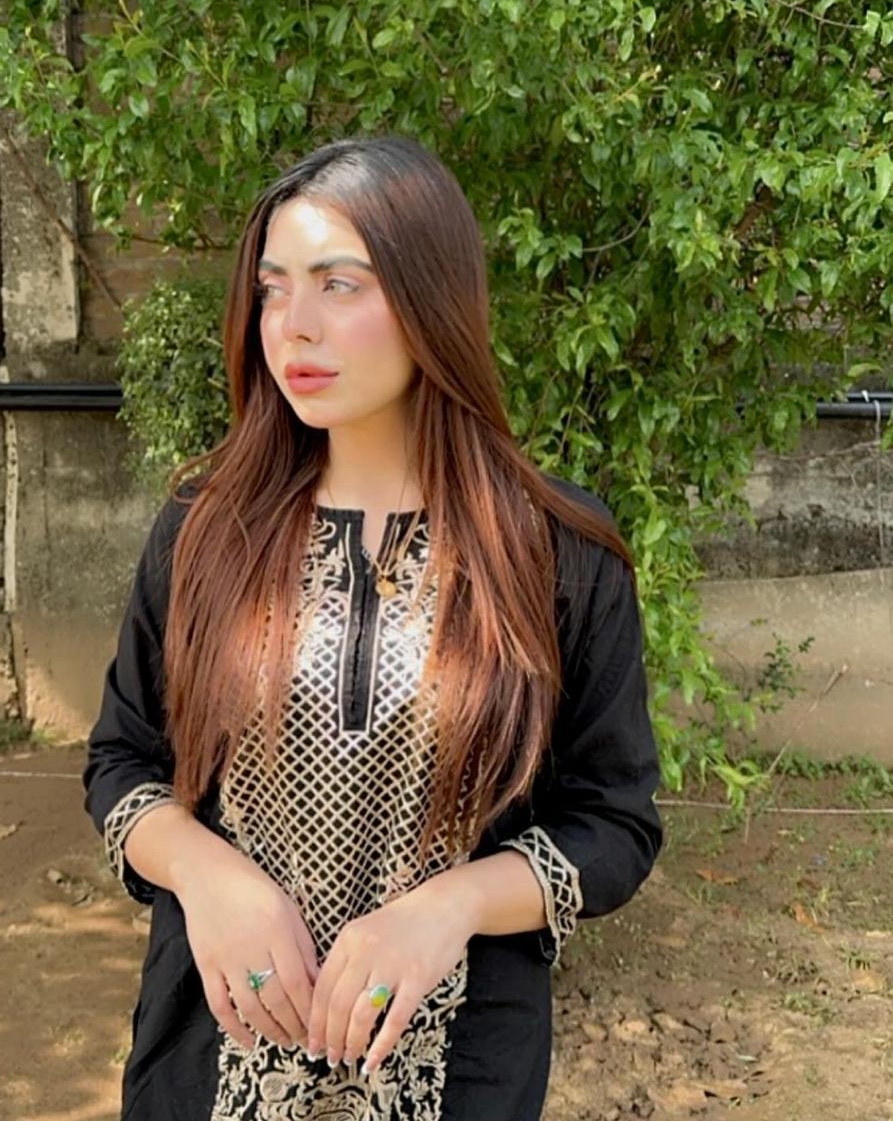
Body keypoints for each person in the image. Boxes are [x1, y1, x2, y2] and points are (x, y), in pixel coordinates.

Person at [82, 134, 663, 1121]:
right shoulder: (203, 532)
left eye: (338, 285)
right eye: (271, 289)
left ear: (433, 299)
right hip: (209, 1058)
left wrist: (453, 906)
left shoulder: (554, 554)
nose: (293, 326)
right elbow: (122, 760)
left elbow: (613, 823)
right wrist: (206, 873)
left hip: (459, 1066)